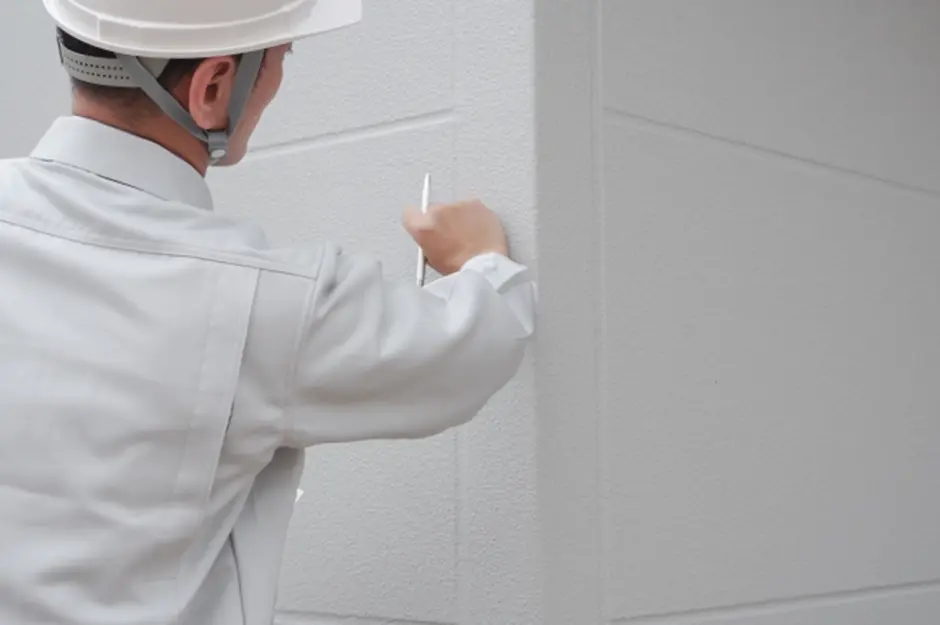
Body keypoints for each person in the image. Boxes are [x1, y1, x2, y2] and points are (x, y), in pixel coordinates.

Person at [0, 1, 536, 623]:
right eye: (283, 57)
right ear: (213, 88)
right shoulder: (258, 299)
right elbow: (468, 349)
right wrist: (480, 261)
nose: (279, 79)